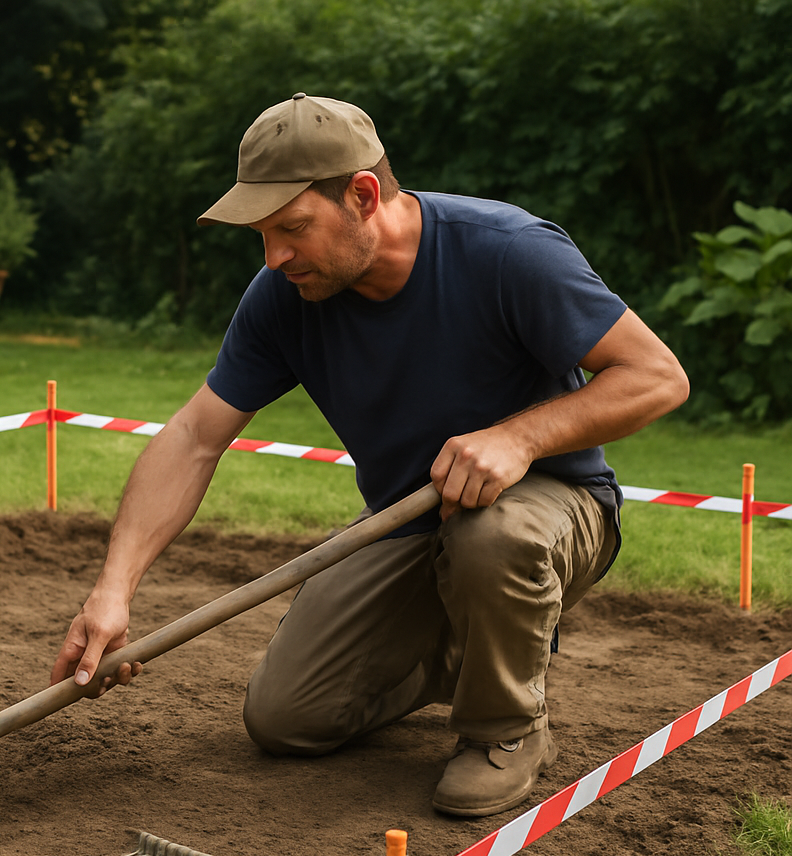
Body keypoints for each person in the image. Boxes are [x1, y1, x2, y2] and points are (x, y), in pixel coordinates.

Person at [50, 93, 689, 818]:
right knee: (287, 718)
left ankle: (504, 729)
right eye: (262, 235)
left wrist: (518, 438)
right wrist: (113, 591)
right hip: (409, 519)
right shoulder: (284, 296)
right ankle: (476, 646)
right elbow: (195, 437)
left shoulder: (506, 251)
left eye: (292, 228)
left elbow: (657, 378)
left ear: (362, 195)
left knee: (491, 536)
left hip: (553, 506)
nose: (274, 256)